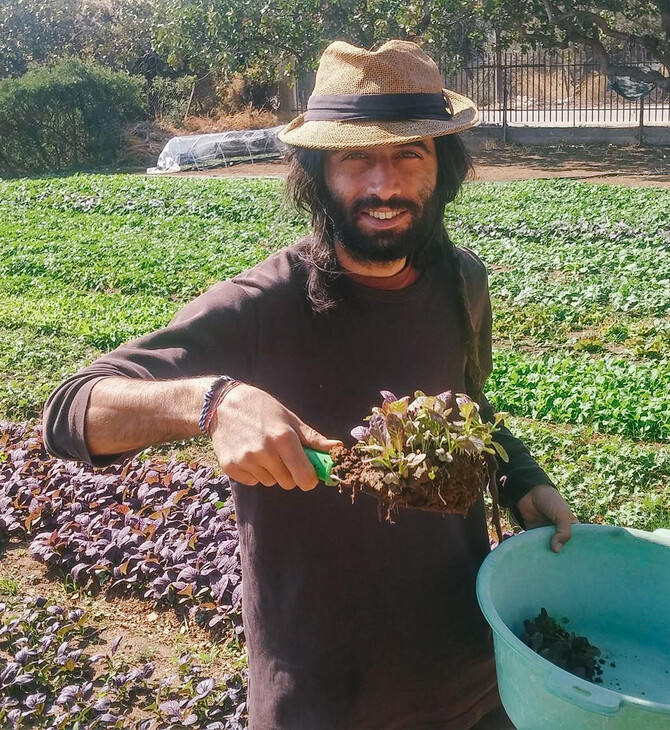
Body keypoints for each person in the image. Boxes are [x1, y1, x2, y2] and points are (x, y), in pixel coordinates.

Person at [44, 40, 576, 730]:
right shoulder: (260, 306)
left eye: (409, 155)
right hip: (327, 696)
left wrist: (521, 479)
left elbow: (470, 405)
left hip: (474, 677)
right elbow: (71, 410)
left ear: (443, 168)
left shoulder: (461, 280)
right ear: (316, 174)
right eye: (356, 158)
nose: (383, 185)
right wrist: (212, 403)